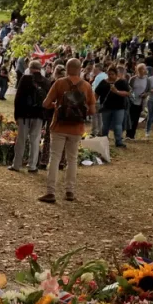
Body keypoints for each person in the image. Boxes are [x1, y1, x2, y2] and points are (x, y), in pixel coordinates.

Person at [37, 58, 97, 204]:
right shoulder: (86, 86)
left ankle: (50, 192)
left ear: (67, 68)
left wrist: (56, 106)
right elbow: (92, 110)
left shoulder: (59, 83)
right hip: (76, 128)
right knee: (72, 159)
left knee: (55, 158)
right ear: (80, 69)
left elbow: (45, 103)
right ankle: (70, 191)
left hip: (59, 126)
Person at [9, 60, 49, 173]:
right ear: (40, 69)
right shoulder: (46, 81)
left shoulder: (25, 79)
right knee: (35, 141)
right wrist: (44, 117)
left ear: (30, 68)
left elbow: (18, 98)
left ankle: (16, 164)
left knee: (21, 140)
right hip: (38, 115)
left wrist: (16, 115)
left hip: (24, 114)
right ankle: (32, 166)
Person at [95, 66, 130, 147]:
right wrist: (94, 102)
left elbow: (127, 93)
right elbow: (96, 93)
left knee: (118, 125)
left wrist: (116, 91)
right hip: (106, 107)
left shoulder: (122, 82)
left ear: (116, 74)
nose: (110, 76)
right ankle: (104, 140)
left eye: (112, 74)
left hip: (119, 107)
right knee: (105, 125)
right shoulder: (103, 82)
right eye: (109, 74)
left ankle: (118, 141)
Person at [126, 63, 149, 140]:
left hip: (140, 102)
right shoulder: (133, 79)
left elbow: (148, 91)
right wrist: (131, 95)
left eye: (144, 69)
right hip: (131, 101)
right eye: (142, 69)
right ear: (138, 70)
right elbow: (129, 88)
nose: (144, 70)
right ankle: (128, 134)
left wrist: (145, 94)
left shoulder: (147, 80)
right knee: (130, 118)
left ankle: (132, 135)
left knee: (136, 119)